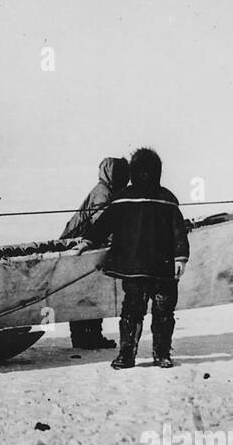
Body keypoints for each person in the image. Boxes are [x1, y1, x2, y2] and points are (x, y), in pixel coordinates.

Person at [77, 148, 189, 368]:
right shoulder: (161, 198)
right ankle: (145, 355)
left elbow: (177, 231)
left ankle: (144, 355)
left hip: (139, 268)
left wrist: (180, 257)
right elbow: (179, 232)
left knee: (145, 313)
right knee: (152, 312)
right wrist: (88, 240)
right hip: (155, 269)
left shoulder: (128, 199)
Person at [60, 157, 129, 349]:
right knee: (86, 292)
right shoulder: (102, 193)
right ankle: (86, 337)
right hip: (79, 247)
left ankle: (87, 336)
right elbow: (101, 223)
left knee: (88, 292)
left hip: (85, 246)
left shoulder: (108, 192)